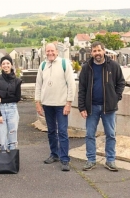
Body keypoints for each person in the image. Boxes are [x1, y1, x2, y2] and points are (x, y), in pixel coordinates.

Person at [78, 41, 125, 172]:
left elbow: (121, 82)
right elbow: (82, 88)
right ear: (91, 53)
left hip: (108, 107)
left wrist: (116, 97)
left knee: (110, 134)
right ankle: (91, 160)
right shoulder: (87, 67)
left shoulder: (113, 66)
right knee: (90, 134)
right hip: (91, 107)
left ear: (104, 51)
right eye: (94, 51)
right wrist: (82, 107)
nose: (97, 53)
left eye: (99, 50)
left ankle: (110, 160)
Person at [35, 43, 76, 171]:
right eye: (48, 51)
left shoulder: (64, 64)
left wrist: (69, 103)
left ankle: (64, 159)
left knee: (62, 132)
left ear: (57, 51)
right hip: (47, 104)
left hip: (61, 105)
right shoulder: (43, 66)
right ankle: (54, 154)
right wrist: (38, 102)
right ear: (45, 52)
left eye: (52, 51)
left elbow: (71, 84)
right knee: (51, 131)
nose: (50, 53)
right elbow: (38, 85)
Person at [0, 55, 22, 151]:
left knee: (12, 136)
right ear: (1, 66)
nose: (6, 65)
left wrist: (2, 100)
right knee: (2, 138)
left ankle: (12, 163)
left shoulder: (17, 81)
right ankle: (3, 162)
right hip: (0, 109)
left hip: (12, 109)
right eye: (3, 64)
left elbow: (17, 98)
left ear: (11, 65)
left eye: (8, 63)